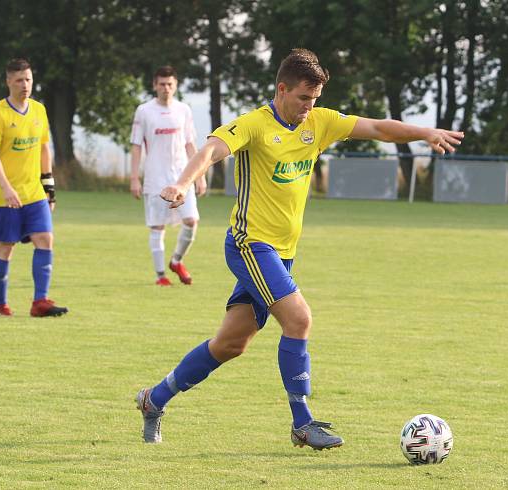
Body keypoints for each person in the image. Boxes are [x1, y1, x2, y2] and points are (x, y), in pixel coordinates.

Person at [135, 49, 463, 449]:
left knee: (230, 344)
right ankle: (302, 423)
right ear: (282, 89)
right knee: (299, 319)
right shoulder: (254, 125)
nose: (310, 107)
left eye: (316, 99)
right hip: (250, 245)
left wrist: (424, 133)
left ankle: (155, 399)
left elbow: (378, 128)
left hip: (282, 252)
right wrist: (184, 183)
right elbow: (210, 151)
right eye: (304, 98)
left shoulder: (319, 123)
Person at [0, 58, 68, 317]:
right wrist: (7, 187)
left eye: (28, 79)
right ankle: (1, 305)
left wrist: (49, 189)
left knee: (45, 239)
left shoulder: (39, 111)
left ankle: (40, 302)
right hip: (3, 194)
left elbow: (44, 149)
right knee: (6, 246)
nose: (25, 85)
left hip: (33, 192)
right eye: (19, 80)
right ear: (8, 81)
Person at [129, 65, 205, 286]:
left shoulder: (184, 110)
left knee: (192, 220)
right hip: (155, 179)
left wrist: (199, 175)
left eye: (170, 84)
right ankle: (161, 275)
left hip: (183, 178)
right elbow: (136, 146)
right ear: (154, 85)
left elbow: (191, 144)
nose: (166, 88)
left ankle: (176, 261)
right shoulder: (144, 111)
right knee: (157, 226)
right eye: (162, 84)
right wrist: (134, 177)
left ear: (176, 85)